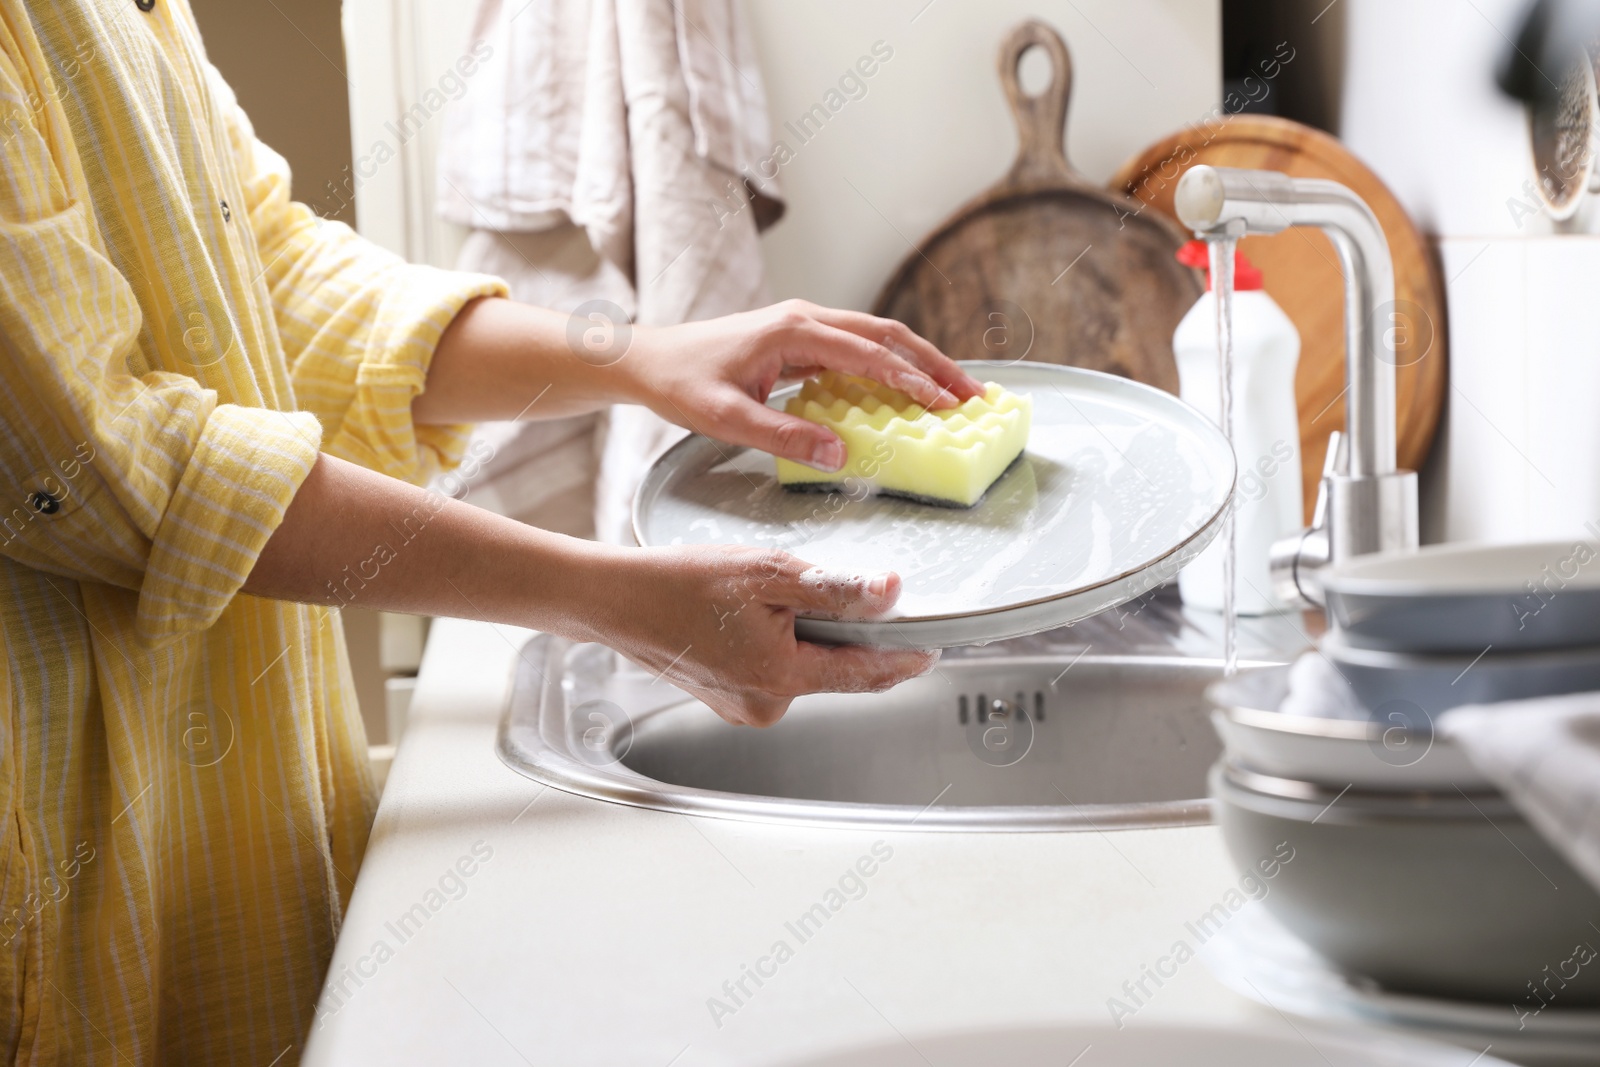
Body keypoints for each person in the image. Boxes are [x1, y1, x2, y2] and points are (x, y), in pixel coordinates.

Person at [0, 2, 981, 1063]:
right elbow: (104, 468)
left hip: (229, 796)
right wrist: (614, 597)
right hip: (63, 841)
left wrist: (636, 355)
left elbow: (276, 274)